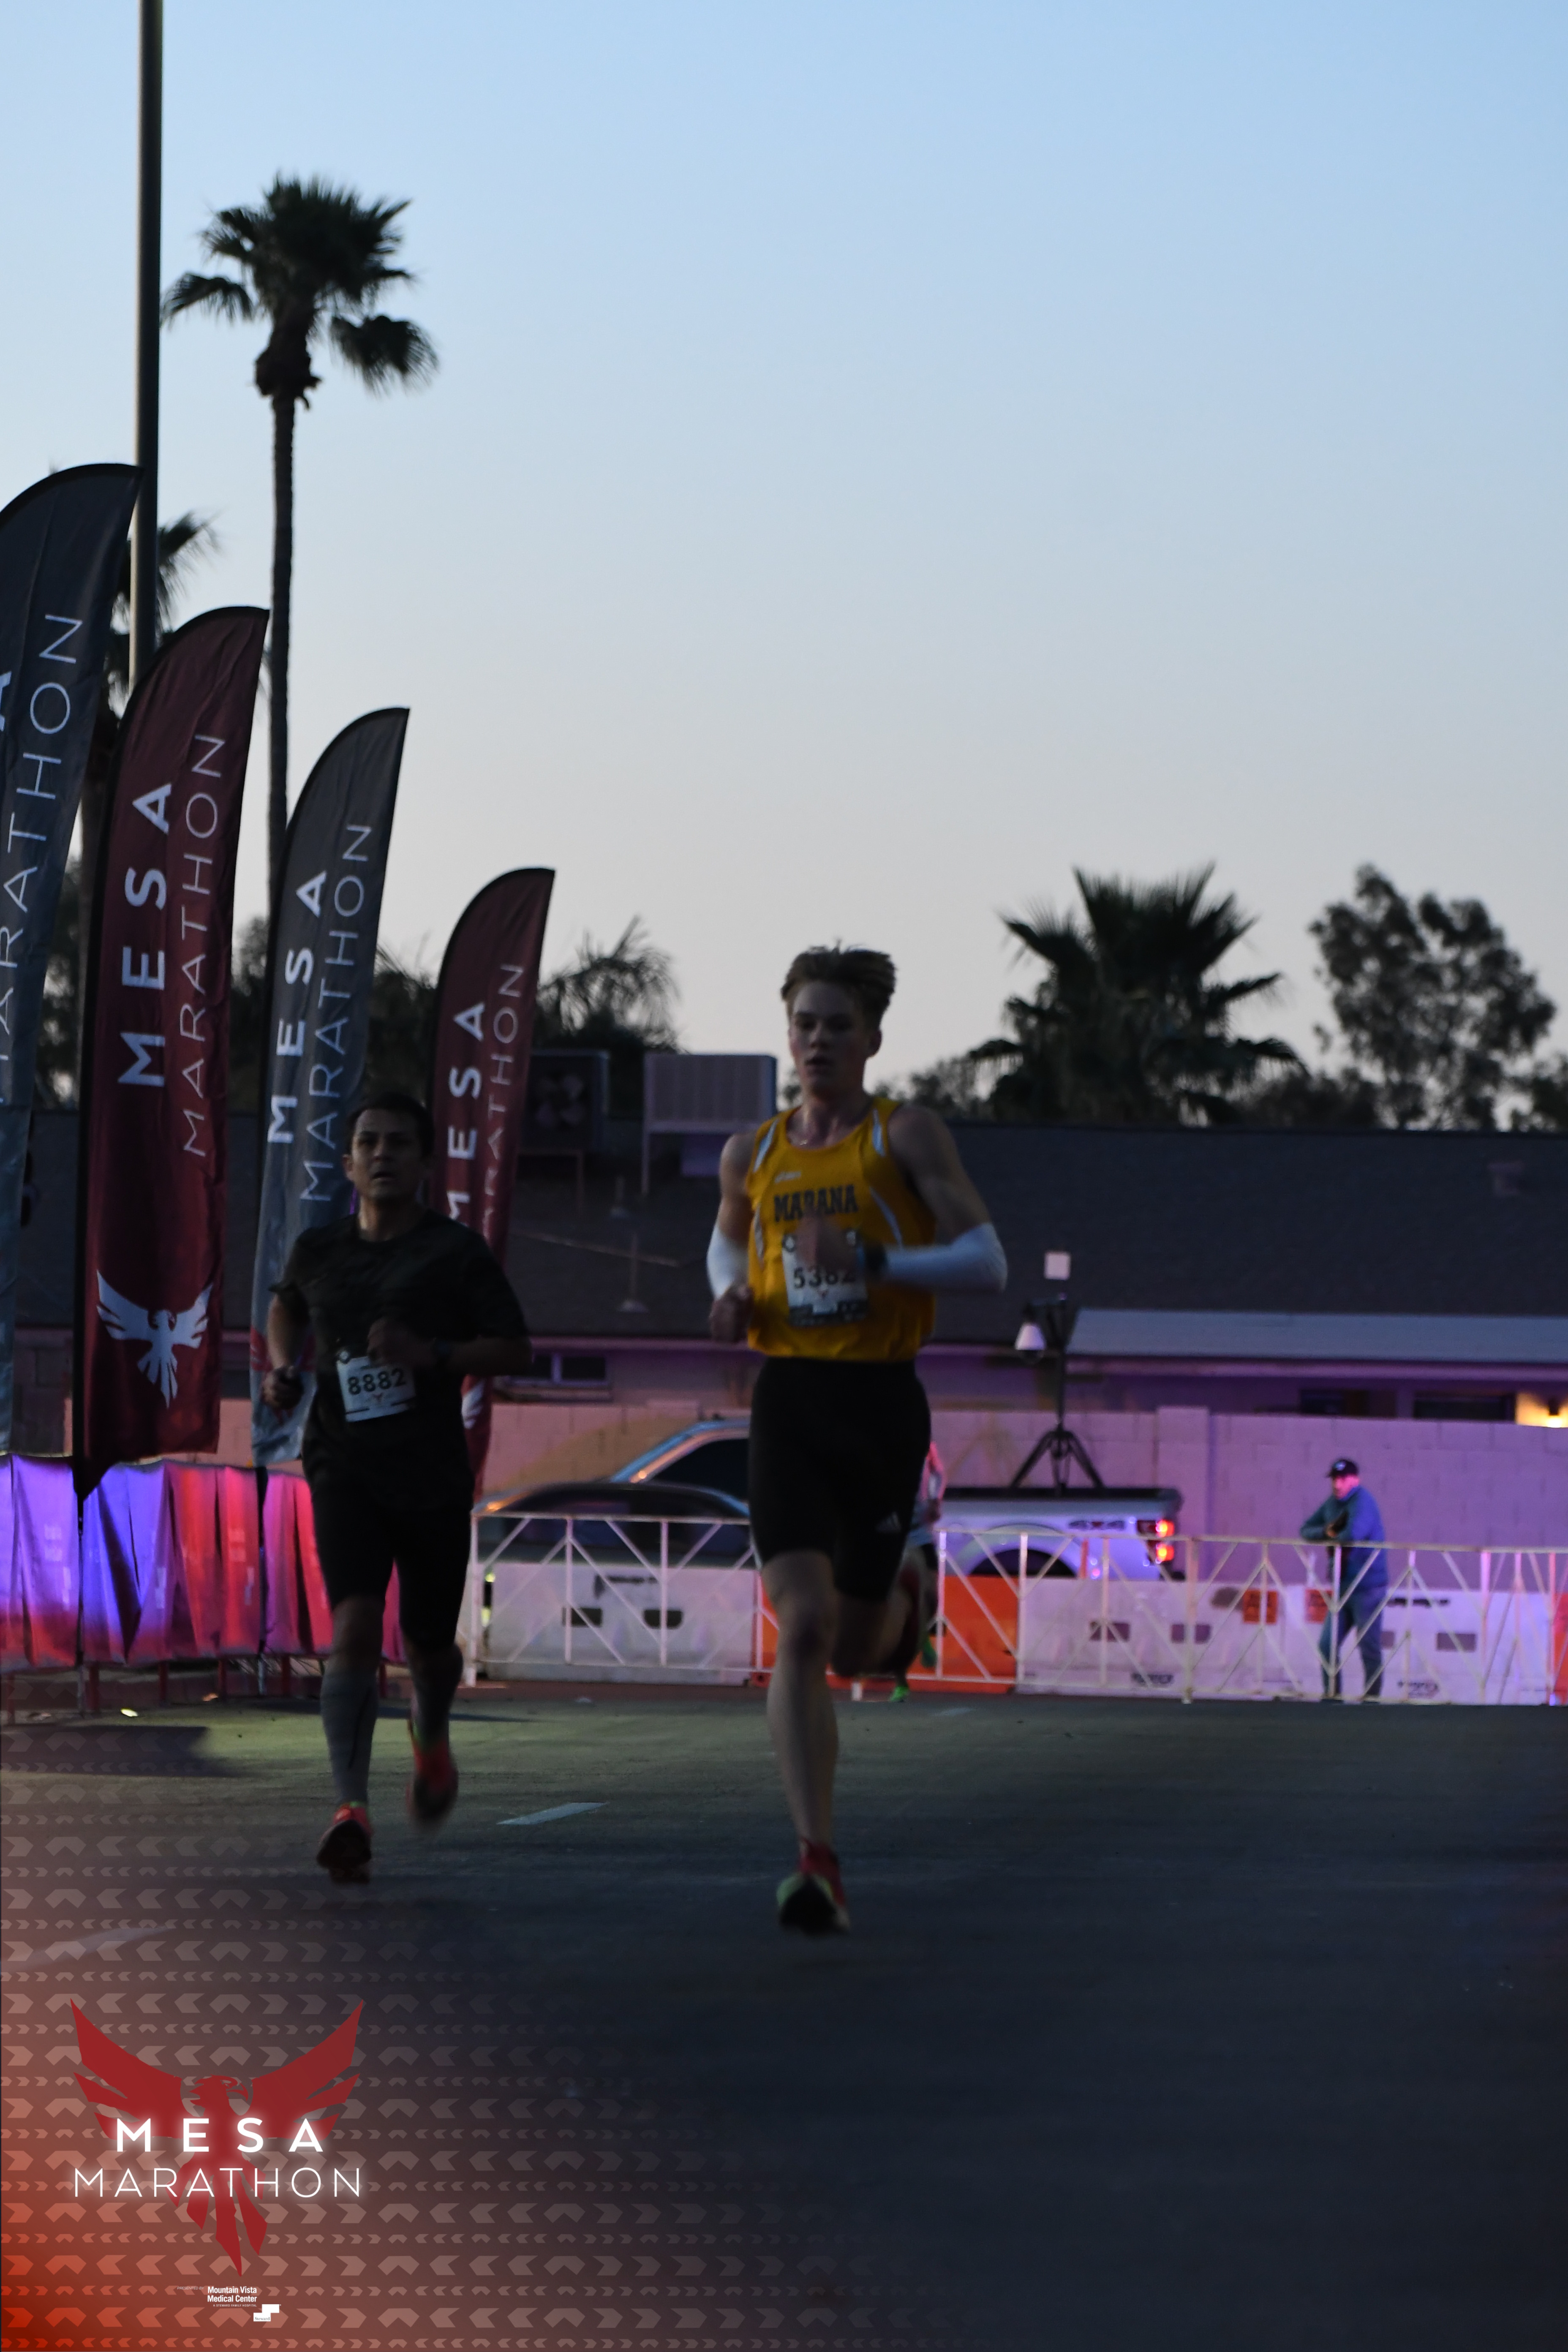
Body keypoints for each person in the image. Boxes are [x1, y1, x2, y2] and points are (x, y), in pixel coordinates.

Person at [708, 947, 1007, 1933]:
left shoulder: (903, 1134)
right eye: (805, 1023)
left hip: (880, 1399)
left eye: (838, 1024)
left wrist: (871, 1260)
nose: (819, 1040)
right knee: (800, 1628)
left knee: (856, 1650)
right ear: (787, 1033)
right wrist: (728, 1291)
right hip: (789, 1398)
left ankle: (906, 1600)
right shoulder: (752, 1152)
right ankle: (816, 1858)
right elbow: (726, 1237)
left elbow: (987, 1262)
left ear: (872, 1038)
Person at [262, 1092, 533, 1882]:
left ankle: (431, 1731)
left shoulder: (454, 1253)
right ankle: (350, 1808)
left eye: (399, 1143)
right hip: (342, 1462)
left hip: (429, 1472)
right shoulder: (319, 1249)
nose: (382, 1154)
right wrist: (282, 1368)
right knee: (351, 1628)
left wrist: (432, 1353)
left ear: (424, 1163)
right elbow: (286, 1306)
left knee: (426, 1646)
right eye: (369, 1143)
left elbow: (514, 1347)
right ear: (348, 1163)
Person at [1300, 1457, 1387, 1702]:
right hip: (1342, 1586)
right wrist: (1328, 1532)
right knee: (1327, 1645)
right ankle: (1333, 1695)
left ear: (1355, 1480)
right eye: (1335, 1479)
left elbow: (1353, 1534)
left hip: (1368, 1586)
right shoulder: (1332, 1504)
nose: (1337, 1484)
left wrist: (1328, 1533)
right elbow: (1306, 1530)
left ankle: (1372, 1700)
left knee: (1368, 1645)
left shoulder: (1364, 1502)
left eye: (1342, 1479)